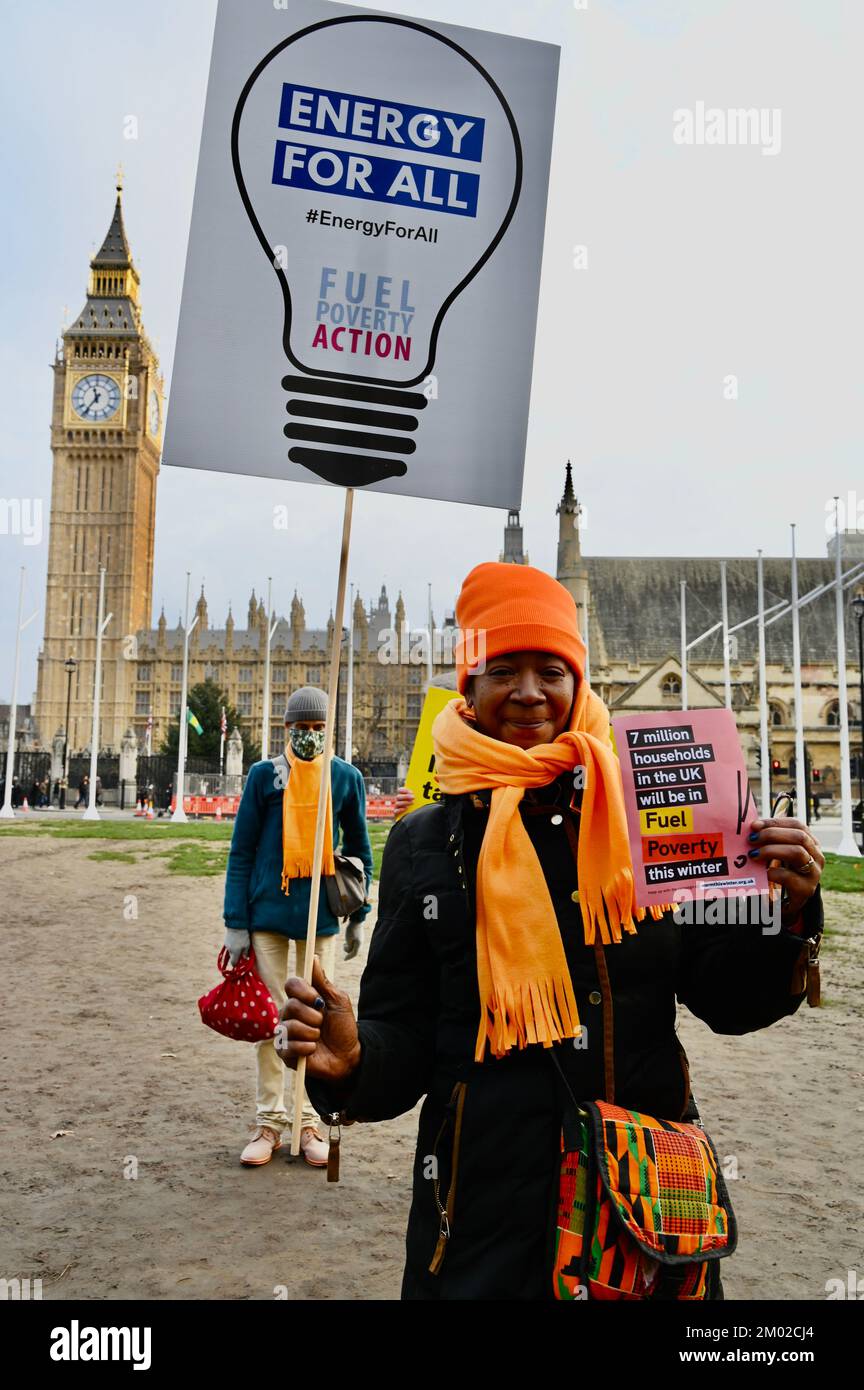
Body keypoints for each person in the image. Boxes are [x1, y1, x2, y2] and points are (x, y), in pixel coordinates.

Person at [277, 562, 825, 1300]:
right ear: (467, 688)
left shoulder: (654, 816)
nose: (529, 691)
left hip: (641, 1208)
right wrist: (349, 1058)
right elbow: (404, 1041)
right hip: (479, 1217)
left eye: (551, 670)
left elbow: (726, 1000)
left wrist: (782, 916)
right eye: (503, 669)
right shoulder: (424, 841)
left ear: (579, 685)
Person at [223, 686, 374, 1169]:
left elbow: (361, 852)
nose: (308, 736)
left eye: (316, 728)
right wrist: (235, 923)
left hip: (321, 916)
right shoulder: (265, 777)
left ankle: (308, 1120)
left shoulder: (344, 778)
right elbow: (242, 851)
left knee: (314, 1022)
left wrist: (359, 917)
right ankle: (270, 1120)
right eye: (299, 729)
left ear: (327, 730)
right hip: (267, 909)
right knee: (273, 1020)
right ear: (285, 730)